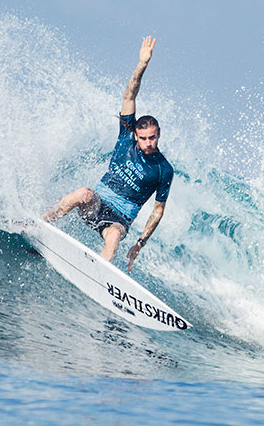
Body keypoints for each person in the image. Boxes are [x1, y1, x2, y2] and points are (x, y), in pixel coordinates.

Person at [42, 36, 173, 271]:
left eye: (152, 137)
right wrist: (142, 64)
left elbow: (158, 210)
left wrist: (139, 244)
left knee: (112, 237)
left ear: (159, 134)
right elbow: (129, 96)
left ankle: (100, 274)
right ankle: (40, 225)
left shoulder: (163, 169)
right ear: (135, 135)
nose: (148, 143)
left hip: (120, 220)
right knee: (82, 193)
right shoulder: (125, 137)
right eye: (143, 138)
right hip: (98, 203)